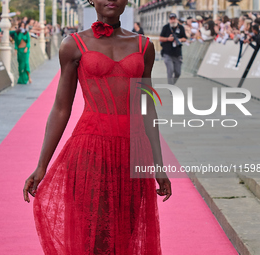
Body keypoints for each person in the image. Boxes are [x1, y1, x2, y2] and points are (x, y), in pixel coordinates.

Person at [23, 0, 171, 253]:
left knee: (126, 235)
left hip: (133, 153)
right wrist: (41, 165)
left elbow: (148, 107)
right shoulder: (72, 45)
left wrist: (158, 165)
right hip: (89, 151)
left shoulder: (144, 46)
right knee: (96, 237)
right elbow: (61, 107)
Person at [159, 13, 187, 85]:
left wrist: (179, 40)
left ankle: (172, 84)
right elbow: (160, 38)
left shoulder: (180, 28)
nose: (172, 20)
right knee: (170, 71)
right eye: (171, 19)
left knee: (178, 73)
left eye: (174, 19)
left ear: (176, 19)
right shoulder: (165, 27)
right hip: (167, 53)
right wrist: (168, 39)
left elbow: (185, 38)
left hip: (177, 54)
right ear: (169, 20)